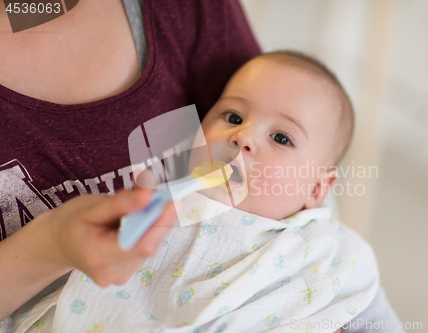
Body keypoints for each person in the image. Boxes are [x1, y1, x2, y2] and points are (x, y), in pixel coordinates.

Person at [0, 1, 402, 332]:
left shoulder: (322, 249)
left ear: (316, 190)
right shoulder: (158, 204)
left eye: (281, 138)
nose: (243, 137)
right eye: (231, 117)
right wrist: (53, 244)